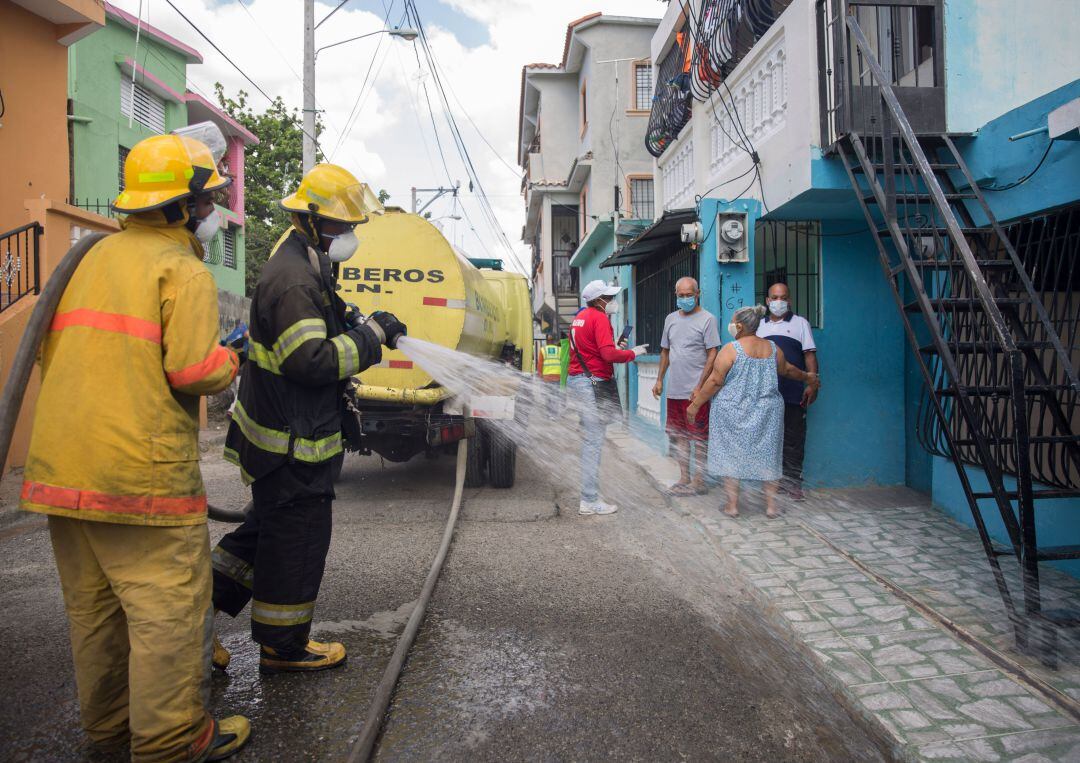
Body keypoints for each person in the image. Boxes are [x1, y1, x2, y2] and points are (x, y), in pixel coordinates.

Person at [20, 128, 250, 760]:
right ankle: (172, 741)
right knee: (167, 616)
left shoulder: (88, 259)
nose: (211, 213)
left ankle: (110, 731)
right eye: (205, 202)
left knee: (95, 617)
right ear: (180, 207)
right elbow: (191, 371)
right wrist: (230, 360)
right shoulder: (182, 270)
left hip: (62, 469)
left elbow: (48, 353)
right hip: (139, 479)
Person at [212, 164, 407, 675]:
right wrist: (373, 340)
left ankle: (189, 627)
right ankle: (284, 646)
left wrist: (363, 321)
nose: (351, 237)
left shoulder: (306, 263)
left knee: (262, 535)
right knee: (295, 543)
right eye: (345, 227)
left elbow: (326, 321)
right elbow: (312, 361)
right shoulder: (294, 277)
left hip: (286, 439)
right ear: (313, 221)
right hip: (291, 445)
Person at [687, 305, 820, 518]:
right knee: (770, 456)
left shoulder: (731, 349)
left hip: (733, 412)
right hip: (767, 413)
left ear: (739, 326)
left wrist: (695, 405)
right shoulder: (773, 348)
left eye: (733, 322)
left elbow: (714, 381)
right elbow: (787, 370)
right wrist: (807, 377)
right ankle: (771, 507)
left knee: (731, 455)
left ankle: (732, 506)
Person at [566, 280, 648, 516]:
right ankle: (589, 500)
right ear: (599, 300)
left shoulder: (580, 317)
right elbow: (608, 355)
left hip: (580, 381)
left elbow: (593, 349)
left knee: (592, 440)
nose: (612, 302)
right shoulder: (599, 317)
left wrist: (615, 346)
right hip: (591, 384)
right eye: (609, 298)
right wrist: (632, 353)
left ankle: (590, 496)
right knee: (593, 442)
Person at [652, 277, 721, 496]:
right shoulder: (670, 319)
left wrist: (700, 387)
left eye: (688, 295)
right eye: (680, 296)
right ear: (676, 295)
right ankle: (685, 478)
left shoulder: (707, 319)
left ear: (697, 293)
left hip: (696, 393)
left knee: (699, 437)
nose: (685, 299)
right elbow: (665, 351)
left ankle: (699, 481)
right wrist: (660, 379)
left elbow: (712, 353)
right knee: (680, 435)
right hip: (675, 390)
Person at [756, 282, 819, 500]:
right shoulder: (758, 326)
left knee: (793, 439)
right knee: (767, 438)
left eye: (782, 297)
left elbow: (809, 355)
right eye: (774, 297)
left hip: (793, 392)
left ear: (789, 300)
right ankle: (772, 483)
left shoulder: (800, 323)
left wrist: (812, 383)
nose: (778, 302)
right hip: (763, 394)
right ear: (767, 301)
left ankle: (793, 484)